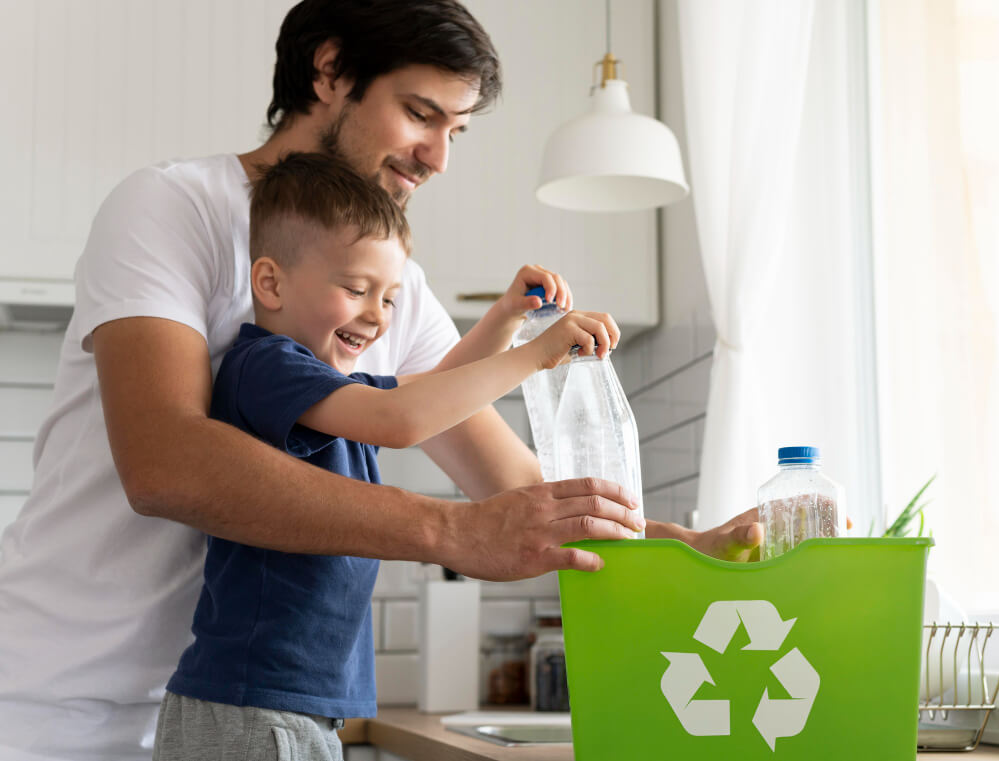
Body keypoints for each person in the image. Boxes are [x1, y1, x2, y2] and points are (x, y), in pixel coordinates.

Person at [0, 2, 762, 759]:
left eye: (455, 130)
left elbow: (516, 488)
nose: (438, 156)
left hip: (249, 702)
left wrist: (684, 546)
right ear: (330, 72)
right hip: (60, 705)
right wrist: (451, 530)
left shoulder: (386, 286)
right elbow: (164, 463)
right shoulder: (174, 208)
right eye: (421, 113)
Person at [153, 150, 628, 760]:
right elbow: (404, 420)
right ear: (269, 283)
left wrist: (506, 320)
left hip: (283, 707)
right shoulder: (267, 367)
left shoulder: (324, 388)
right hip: (251, 706)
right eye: (356, 289)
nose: (377, 317)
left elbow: (431, 394)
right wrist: (537, 355)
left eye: (390, 299)